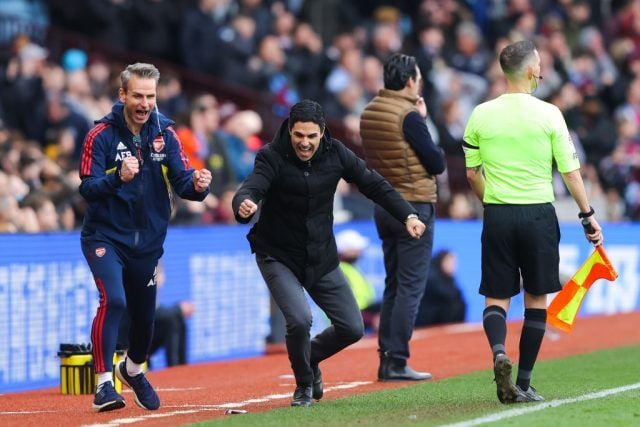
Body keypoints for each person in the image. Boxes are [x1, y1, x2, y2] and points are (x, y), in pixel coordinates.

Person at [232, 99, 426, 407]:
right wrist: (243, 206)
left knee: (352, 327)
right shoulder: (271, 155)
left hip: (321, 256)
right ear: (290, 130)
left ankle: (309, 359)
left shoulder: (337, 154)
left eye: (311, 136)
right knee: (298, 319)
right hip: (278, 255)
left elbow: (373, 184)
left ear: (322, 132)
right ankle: (304, 385)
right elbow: (251, 189)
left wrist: (407, 215)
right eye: (299, 135)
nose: (304, 143)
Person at [463, 40, 603, 404]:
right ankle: (523, 383)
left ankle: (498, 351)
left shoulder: (480, 113)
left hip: (498, 213)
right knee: (536, 298)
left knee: (497, 296)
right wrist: (588, 216)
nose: (542, 71)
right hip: (538, 213)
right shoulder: (550, 114)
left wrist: (490, 201)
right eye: (539, 65)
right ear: (530, 71)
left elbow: (472, 173)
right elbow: (571, 173)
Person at [78, 63, 212, 412]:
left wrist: (198, 186)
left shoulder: (166, 134)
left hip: (148, 243)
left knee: (145, 321)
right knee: (115, 301)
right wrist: (117, 178)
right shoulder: (101, 136)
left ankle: (132, 369)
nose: (144, 102)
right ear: (122, 95)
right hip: (104, 236)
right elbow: (87, 189)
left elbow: (183, 183)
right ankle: (104, 385)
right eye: (137, 95)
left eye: (150, 96)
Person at [360, 53, 445, 381]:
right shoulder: (409, 115)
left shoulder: (369, 112)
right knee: (410, 285)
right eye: (418, 77)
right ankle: (396, 360)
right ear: (410, 80)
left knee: (394, 283)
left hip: (384, 204)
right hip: (414, 206)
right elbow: (436, 163)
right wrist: (422, 120)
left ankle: (387, 358)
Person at [335, 229, 380, 333]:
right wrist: (371, 319)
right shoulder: (339, 271)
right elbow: (342, 307)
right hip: (353, 316)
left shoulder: (349, 268)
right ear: (345, 250)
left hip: (363, 312)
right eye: (355, 248)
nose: (360, 252)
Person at [415, 249, 466, 327]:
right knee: (451, 305)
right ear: (441, 261)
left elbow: (457, 295)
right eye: (449, 262)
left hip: (441, 317)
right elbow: (444, 293)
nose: (452, 265)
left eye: (453, 263)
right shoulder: (430, 275)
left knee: (460, 303)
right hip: (426, 319)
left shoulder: (450, 279)